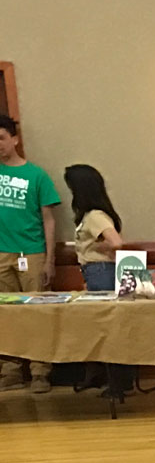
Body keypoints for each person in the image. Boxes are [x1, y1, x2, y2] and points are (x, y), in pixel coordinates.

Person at [0, 116, 62, 393]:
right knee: (6, 316)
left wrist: (50, 259)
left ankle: (40, 372)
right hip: (2, 255)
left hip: (32, 253)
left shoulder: (36, 175)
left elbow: (49, 219)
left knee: (36, 314)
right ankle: (11, 370)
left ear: (14, 139)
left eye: (2, 138)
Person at [64, 164, 124, 292]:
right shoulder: (90, 216)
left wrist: (97, 247)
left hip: (99, 269)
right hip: (95, 270)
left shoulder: (95, 216)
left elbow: (116, 242)